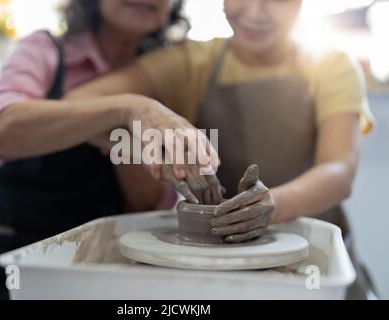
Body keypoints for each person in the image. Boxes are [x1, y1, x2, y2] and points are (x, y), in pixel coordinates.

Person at [65, 0, 376, 299]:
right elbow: (76, 106)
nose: (256, 12)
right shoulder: (193, 62)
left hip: (314, 264)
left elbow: (338, 171)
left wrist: (273, 205)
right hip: (222, 270)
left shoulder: (330, 66)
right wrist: (143, 120)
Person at [0, 0, 223, 300]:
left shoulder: (172, 75)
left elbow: (142, 209)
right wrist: (128, 107)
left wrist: (137, 145)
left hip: (87, 268)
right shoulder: (45, 51)